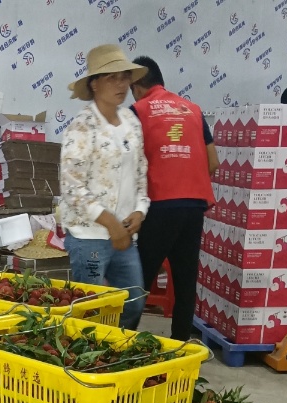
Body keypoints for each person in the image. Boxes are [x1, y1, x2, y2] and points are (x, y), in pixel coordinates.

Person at [59, 45, 150, 329]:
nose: (121, 85)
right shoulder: (82, 127)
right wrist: (110, 223)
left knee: (134, 302)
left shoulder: (131, 122)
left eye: (124, 77)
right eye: (112, 78)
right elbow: (72, 187)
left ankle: (118, 349)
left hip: (125, 234)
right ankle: (88, 355)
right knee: (90, 311)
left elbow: (141, 171)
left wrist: (140, 210)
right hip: (90, 237)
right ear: (94, 84)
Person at [130, 55, 219, 341]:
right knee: (185, 279)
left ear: (136, 87)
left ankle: (124, 340)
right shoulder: (193, 109)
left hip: (160, 204)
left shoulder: (138, 110)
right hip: (194, 204)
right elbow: (213, 162)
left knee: (141, 278)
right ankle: (180, 345)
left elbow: (129, 164)